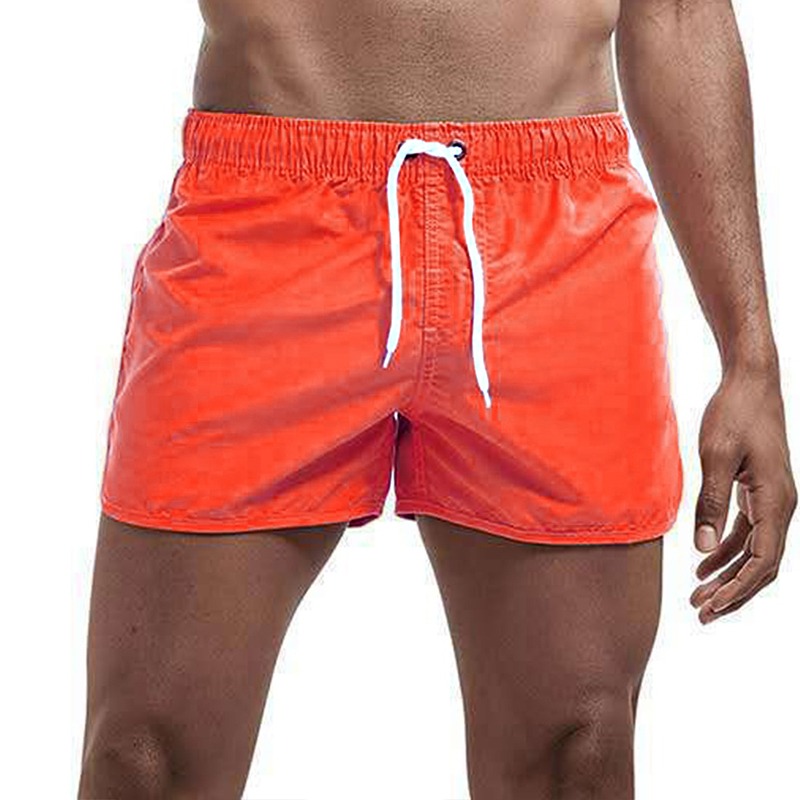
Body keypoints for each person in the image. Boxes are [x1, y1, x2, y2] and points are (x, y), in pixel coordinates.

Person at [78, 1, 796, 797]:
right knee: (143, 761)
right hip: (266, 211)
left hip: (556, 238)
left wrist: (750, 357)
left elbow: (679, 11)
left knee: (579, 757)